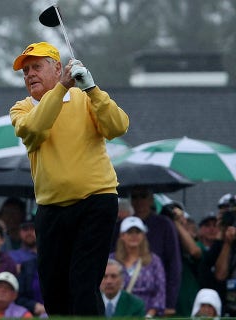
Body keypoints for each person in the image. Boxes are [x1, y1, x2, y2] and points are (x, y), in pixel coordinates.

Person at [10, 41, 129, 316]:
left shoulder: (86, 98)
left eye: (36, 67)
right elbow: (36, 129)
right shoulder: (21, 109)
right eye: (25, 71)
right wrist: (63, 88)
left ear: (58, 68)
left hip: (96, 201)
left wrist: (93, 89)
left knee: (83, 283)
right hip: (51, 209)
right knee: (54, 293)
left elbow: (118, 126)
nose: (29, 75)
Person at [122, 187, 181, 316]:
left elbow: (173, 265)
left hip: (155, 299)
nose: (139, 201)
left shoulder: (165, 224)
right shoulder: (122, 225)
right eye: (135, 197)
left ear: (151, 199)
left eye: (143, 196)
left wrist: (170, 303)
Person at [110, 216, 165, 317]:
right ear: (122, 235)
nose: (134, 235)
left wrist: (149, 316)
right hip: (119, 314)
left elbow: (160, 292)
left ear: (143, 235)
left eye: (138, 232)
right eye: (130, 232)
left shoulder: (154, 261)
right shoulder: (112, 260)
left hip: (145, 313)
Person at [10, 214, 45, 317]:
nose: (29, 232)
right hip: (27, 311)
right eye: (25, 229)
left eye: (32, 228)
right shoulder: (11, 256)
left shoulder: (50, 256)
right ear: (19, 232)